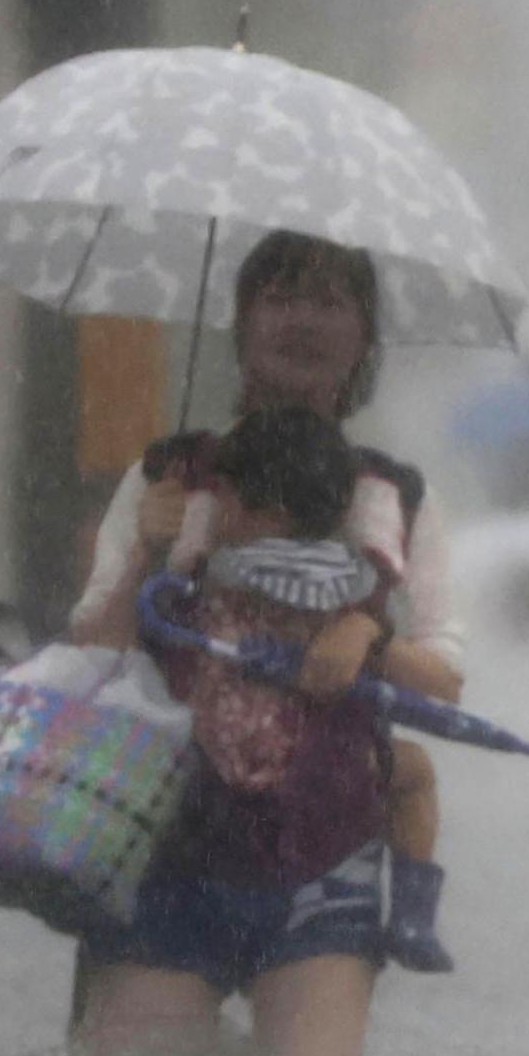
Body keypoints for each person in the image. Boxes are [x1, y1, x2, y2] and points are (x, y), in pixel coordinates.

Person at [64, 230, 465, 1056]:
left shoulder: (395, 496)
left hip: (325, 857)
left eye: (330, 302)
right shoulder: (168, 480)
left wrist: (371, 637)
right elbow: (88, 659)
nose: (304, 322)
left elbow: (446, 679)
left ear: (364, 339)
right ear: (242, 324)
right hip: (164, 854)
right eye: (281, 298)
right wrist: (145, 554)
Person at [167, 406, 452, 973]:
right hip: (315, 778)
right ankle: (414, 917)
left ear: (259, 508)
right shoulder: (347, 583)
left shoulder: (211, 571)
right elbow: (434, 676)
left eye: (222, 496)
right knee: (414, 772)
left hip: (210, 772)